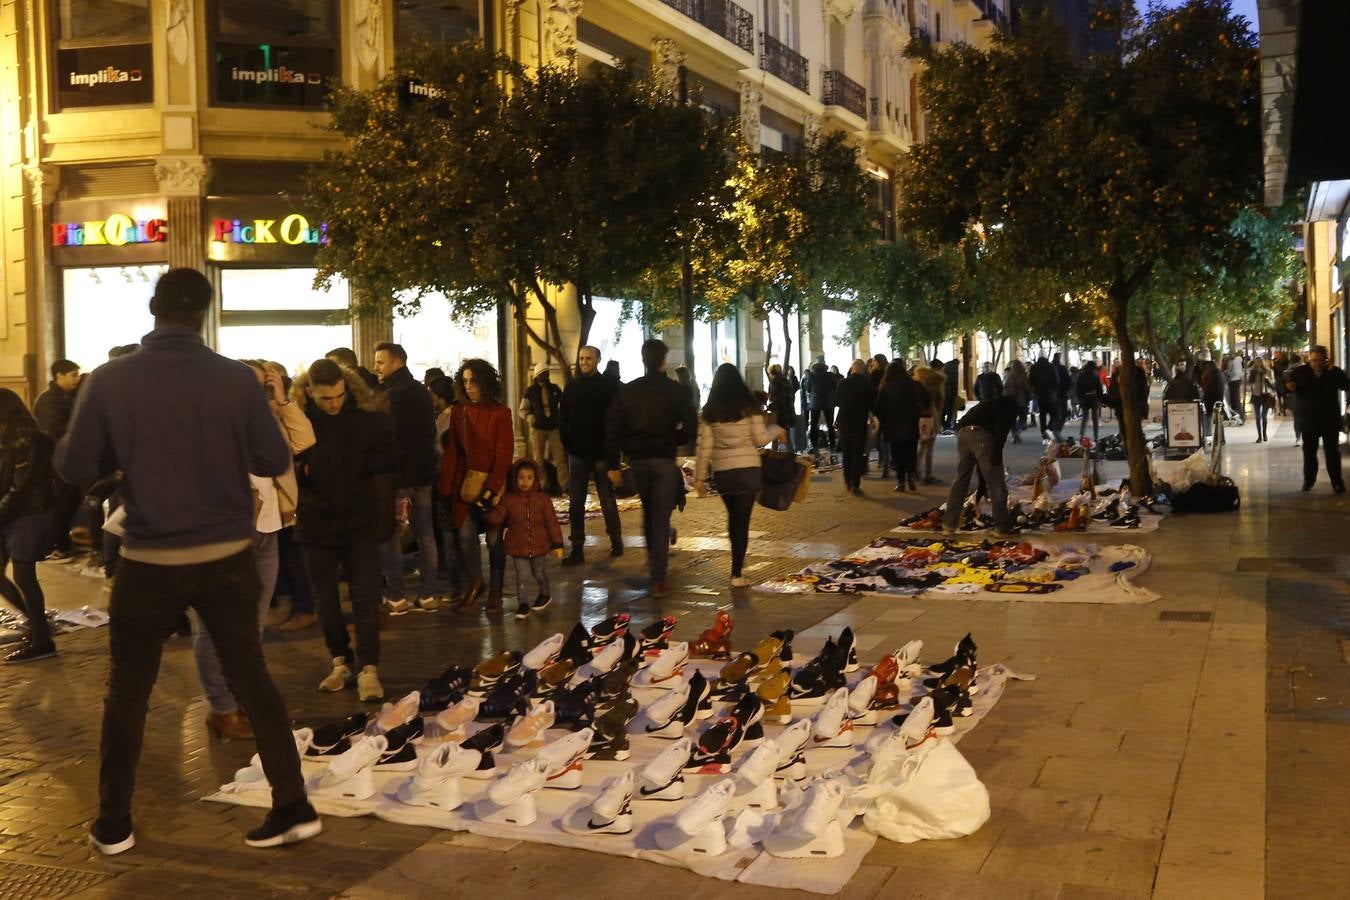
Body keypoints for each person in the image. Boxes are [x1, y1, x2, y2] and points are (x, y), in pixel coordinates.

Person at [55, 268, 319, 853]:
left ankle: (114, 822)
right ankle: (294, 804)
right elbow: (274, 454)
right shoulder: (233, 380)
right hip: (228, 555)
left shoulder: (111, 380)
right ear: (205, 312)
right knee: (252, 677)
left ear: (154, 308)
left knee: (128, 690)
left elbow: (73, 467)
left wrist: (120, 462)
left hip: (150, 557)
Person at [193, 359, 315, 740]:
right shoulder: (213, 418)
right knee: (215, 625)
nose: (258, 392)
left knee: (250, 626)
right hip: (230, 531)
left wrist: (282, 401)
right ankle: (222, 707)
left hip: (270, 528)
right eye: (255, 385)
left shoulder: (268, 417)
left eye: (264, 385)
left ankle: (241, 698)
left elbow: (304, 440)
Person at [293, 359, 397, 701]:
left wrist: (360, 463)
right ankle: (340, 661)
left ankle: (370, 668)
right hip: (315, 522)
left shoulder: (366, 417)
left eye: (338, 395)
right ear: (310, 392)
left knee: (366, 598)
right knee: (326, 600)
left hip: (359, 520)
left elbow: (389, 456)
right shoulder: (298, 421)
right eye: (326, 399)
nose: (334, 403)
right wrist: (305, 471)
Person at [605, 339, 696, 598]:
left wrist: (615, 461)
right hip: (664, 460)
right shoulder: (676, 391)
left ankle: (655, 567)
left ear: (643, 359)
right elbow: (691, 428)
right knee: (660, 516)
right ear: (663, 360)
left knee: (649, 513)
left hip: (639, 461)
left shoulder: (629, 391)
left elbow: (613, 427)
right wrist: (672, 439)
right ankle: (658, 576)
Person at [693, 364, 785, 585]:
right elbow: (760, 438)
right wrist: (777, 430)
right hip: (748, 471)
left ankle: (737, 559)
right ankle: (736, 573)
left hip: (724, 474)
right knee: (741, 520)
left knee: (733, 518)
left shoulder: (710, 411)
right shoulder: (749, 407)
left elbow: (703, 446)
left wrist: (699, 477)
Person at [372, 341, 443, 611]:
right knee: (425, 535)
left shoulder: (391, 395)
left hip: (398, 478)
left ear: (396, 362)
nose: (376, 366)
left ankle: (396, 596)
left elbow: (389, 438)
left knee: (389, 535)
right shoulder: (420, 392)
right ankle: (428, 594)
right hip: (423, 476)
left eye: (380, 361)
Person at [439, 359, 513, 611]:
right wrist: (446, 488)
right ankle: (475, 582)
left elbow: (504, 454)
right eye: (465, 381)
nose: (469, 387)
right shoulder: (459, 412)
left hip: (494, 486)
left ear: (486, 382)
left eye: (474, 381)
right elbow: (453, 453)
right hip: (465, 485)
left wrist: (491, 490)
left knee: (494, 540)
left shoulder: (501, 413)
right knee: (465, 536)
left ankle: (495, 589)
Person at [0, 390, 57, 663]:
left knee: (24, 576)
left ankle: (42, 639)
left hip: (28, 515)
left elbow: (21, 488)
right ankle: (38, 627)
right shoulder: (7, 440)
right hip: (10, 514)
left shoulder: (30, 441)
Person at [559, 345, 623, 565]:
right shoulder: (572, 387)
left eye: (588, 358)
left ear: (597, 360)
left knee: (606, 499)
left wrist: (612, 452)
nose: (584, 362)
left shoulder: (608, 387)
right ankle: (577, 547)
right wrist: (568, 443)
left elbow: (615, 420)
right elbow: (564, 418)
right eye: (581, 358)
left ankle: (616, 538)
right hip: (578, 453)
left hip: (602, 454)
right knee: (576, 501)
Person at [486, 459, 563, 619]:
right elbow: (497, 517)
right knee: (522, 575)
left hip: (539, 546)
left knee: (540, 573)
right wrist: (488, 509)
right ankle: (523, 603)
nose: (524, 482)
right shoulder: (508, 500)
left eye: (529, 478)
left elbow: (552, 522)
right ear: (515, 479)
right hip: (518, 547)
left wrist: (557, 543)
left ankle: (545, 593)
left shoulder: (542, 500)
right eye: (521, 477)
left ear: (535, 479)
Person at [941, 395, 1020, 537]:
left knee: (961, 479)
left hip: (963, 433)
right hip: (981, 435)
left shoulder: (991, 403)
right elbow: (1001, 432)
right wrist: (996, 457)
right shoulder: (1009, 407)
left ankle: (948, 524)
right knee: (996, 482)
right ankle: (1002, 526)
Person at [33, 359, 82, 564]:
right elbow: (55, 430)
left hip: (67, 457)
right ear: (59, 376)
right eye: (73, 375)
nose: (77, 379)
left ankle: (63, 542)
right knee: (63, 502)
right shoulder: (49, 400)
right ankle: (59, 545)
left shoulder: (66, 397)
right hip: (56, 459)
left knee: (70, 500)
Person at [1286, 346, 1348, 493]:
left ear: (1325, 360)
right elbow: (1286, 385)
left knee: (1332, 453)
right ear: (1309, 359)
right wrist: (1289, 386)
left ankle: (1337, 483)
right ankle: (1309, 481)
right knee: (1309, 453)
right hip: (1308, 420)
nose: (1317, 363)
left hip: (1329, 420)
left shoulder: (1333, 372)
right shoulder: (1300, 372)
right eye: (1314, 360)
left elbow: (1346, 385)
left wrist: (1335, 373)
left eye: (1320, 360)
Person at [875, 359, 927, 493]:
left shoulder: (885, 385)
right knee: (910, 451)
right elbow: (919, 403)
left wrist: (884, 420)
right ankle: (910, 476)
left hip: (892, 426)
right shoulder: (911, 383)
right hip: (910, 424)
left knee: (897, 454)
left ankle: (901, 481)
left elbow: (879, 407)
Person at [519, 362, 569, 493]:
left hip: (554, 427)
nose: (545, 376)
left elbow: (564, 404)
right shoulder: (530, 391)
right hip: (538, 428)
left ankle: (565, 485)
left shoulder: (554, 389)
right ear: (537, 375)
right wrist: (530, 417)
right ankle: (542, 484)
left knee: (560, 459)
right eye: (542, 374)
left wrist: (562, 417)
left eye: (546, 373)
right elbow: (522, 409)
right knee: (538, 459)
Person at [833, 360, 875, 496]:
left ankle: (847, 480)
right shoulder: (866, 384)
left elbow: (837, 401)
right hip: (859, 422)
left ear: (852, 369)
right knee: (858, 453)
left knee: (846, 453)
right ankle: (855, 483)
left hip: (844, 422)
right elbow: (871, 404)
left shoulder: (843, 383)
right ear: (863, 370)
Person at [915, 359, 946, 479]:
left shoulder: (919, 379)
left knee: (922, 444)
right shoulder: (938, 381)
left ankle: (916, 470)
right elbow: (940, 401)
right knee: (929, 447)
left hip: (919, 415)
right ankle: (928, 474)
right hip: (931, 415)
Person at [803, 356, 837, 451]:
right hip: (828, 402)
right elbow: (835, 387)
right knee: (830, 425)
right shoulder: (830, 375)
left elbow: (808, 389)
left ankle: (814, 445)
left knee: (814, 424)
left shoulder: (811, 375)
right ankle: (832, 445)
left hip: (815, 402)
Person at [766, 364, 797, 452]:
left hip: (779, 414)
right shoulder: (787, 381)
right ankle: (791, 457)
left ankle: (774, 456)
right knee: (787, 436)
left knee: (775, 436)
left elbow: (775, 399)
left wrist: (769, 407)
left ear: (772, 373)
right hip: (789, 411)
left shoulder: (774, 382)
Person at [1029, 355, 1059, 440]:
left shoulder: (1034, 367)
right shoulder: (1051, 367)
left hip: (1039, 394)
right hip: (1050, 394)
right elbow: (1056, 381)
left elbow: (1031, 381)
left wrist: (1035, 389)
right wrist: (1055, 391)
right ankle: (1049, 428)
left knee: (1042, 414)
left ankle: (1043, 431)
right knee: (1054, 414)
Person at [1247, 357, 1276, 443]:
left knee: (1264, 416)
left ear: (1262, 362)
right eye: (1256, 362)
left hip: (1266, 395)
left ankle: (1264, 434)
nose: (1258, 364)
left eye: (1259, 362)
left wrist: (1267, 380)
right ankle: (1259, 436)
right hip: (1256, 395)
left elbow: (1273, 384)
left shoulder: (1268, 371)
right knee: (1258, 417)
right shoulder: (1253, 372)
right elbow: (1250, 382)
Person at [1003, 359, 1032, 444]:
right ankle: (1017, 432)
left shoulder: (1008, 375)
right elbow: (1027, 388)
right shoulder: (1022, 376)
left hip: (1008, 400)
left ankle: (1015, 434)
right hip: (1020, 400)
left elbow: (1004, 387)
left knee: (1012, 419)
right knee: (1023, 418)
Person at [1076, 361, 1103, 442]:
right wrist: (1100, 398)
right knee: (1095, 419)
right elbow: (1099, 388)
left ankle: (1081, 435)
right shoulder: (1096, 374)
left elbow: (1078, 388)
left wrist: (1080, 398)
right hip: (1093, 397)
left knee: (1084, 418)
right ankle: (1096, 436)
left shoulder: (1081, 375)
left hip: (1084, 398)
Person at [1053, 353, 1073, 426]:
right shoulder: (1063, 368)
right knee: (1064, 412)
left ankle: (1055, 427)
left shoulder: (1051, 367)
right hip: (1062, 392)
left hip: (1053, 393)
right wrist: (1067, 390)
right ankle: (1058, 428)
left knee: (1056, 412)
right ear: (1059, 358)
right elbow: (1068, 380)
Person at [1226, 353, 1246, 424]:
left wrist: (1227, 378)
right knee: (1237, 397)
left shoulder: (1231, 362)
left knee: (1233, 398)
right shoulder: (1239, 361)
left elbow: (1228, 372)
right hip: (1238, 380)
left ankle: (1237, 414)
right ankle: (1240, 414)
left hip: (1232, 380)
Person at [941, 358, 960, 431]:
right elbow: (955, 383)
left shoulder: (945, 366)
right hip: (951, 392)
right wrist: (955, 393)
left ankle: (944, 423)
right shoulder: (954, 369)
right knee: (950, 410)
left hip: (944, 392)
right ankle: (948, 424)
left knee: (944, 409)